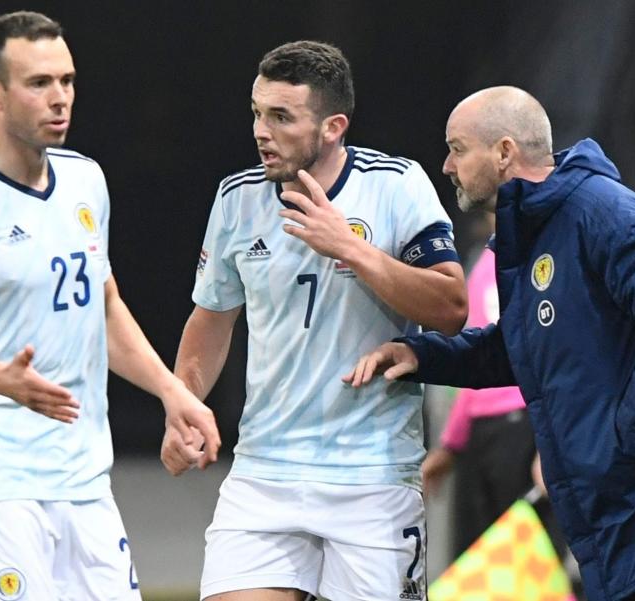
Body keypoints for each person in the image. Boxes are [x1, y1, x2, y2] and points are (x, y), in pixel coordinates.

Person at [347, 86, 635, 601]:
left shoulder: (605, 211)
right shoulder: (531, 238)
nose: (445, 165)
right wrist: (422, 354)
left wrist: (626, 441)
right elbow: (520, 349)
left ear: (504, 152)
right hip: (619, 528)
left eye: (457, 148)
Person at [0, 11, 220, 600]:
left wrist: (174, 393)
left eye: (67, 81)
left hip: (83, 477)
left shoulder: (84, 181)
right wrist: (3, 378)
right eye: (39, 83)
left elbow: (102, 307)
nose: (60, 98)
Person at [160, 41, 467, 601]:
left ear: (332, 127)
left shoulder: (396, 185)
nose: (261, 130)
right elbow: (211, 321)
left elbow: (451, 307)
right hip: (263, 474)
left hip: (371, 479)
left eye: (281, 117)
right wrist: (184, 403)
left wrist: (351, 248)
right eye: (257, 112)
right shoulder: (237, 198)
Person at [421, 233, 546, 556]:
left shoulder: (544, 254)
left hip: (524, 426)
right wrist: (450, 445)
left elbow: (561, 354)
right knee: (477, 559)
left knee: (528, 562)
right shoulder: (483, 263)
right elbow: (475, 370)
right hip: (480, 434)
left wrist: (551, 444)